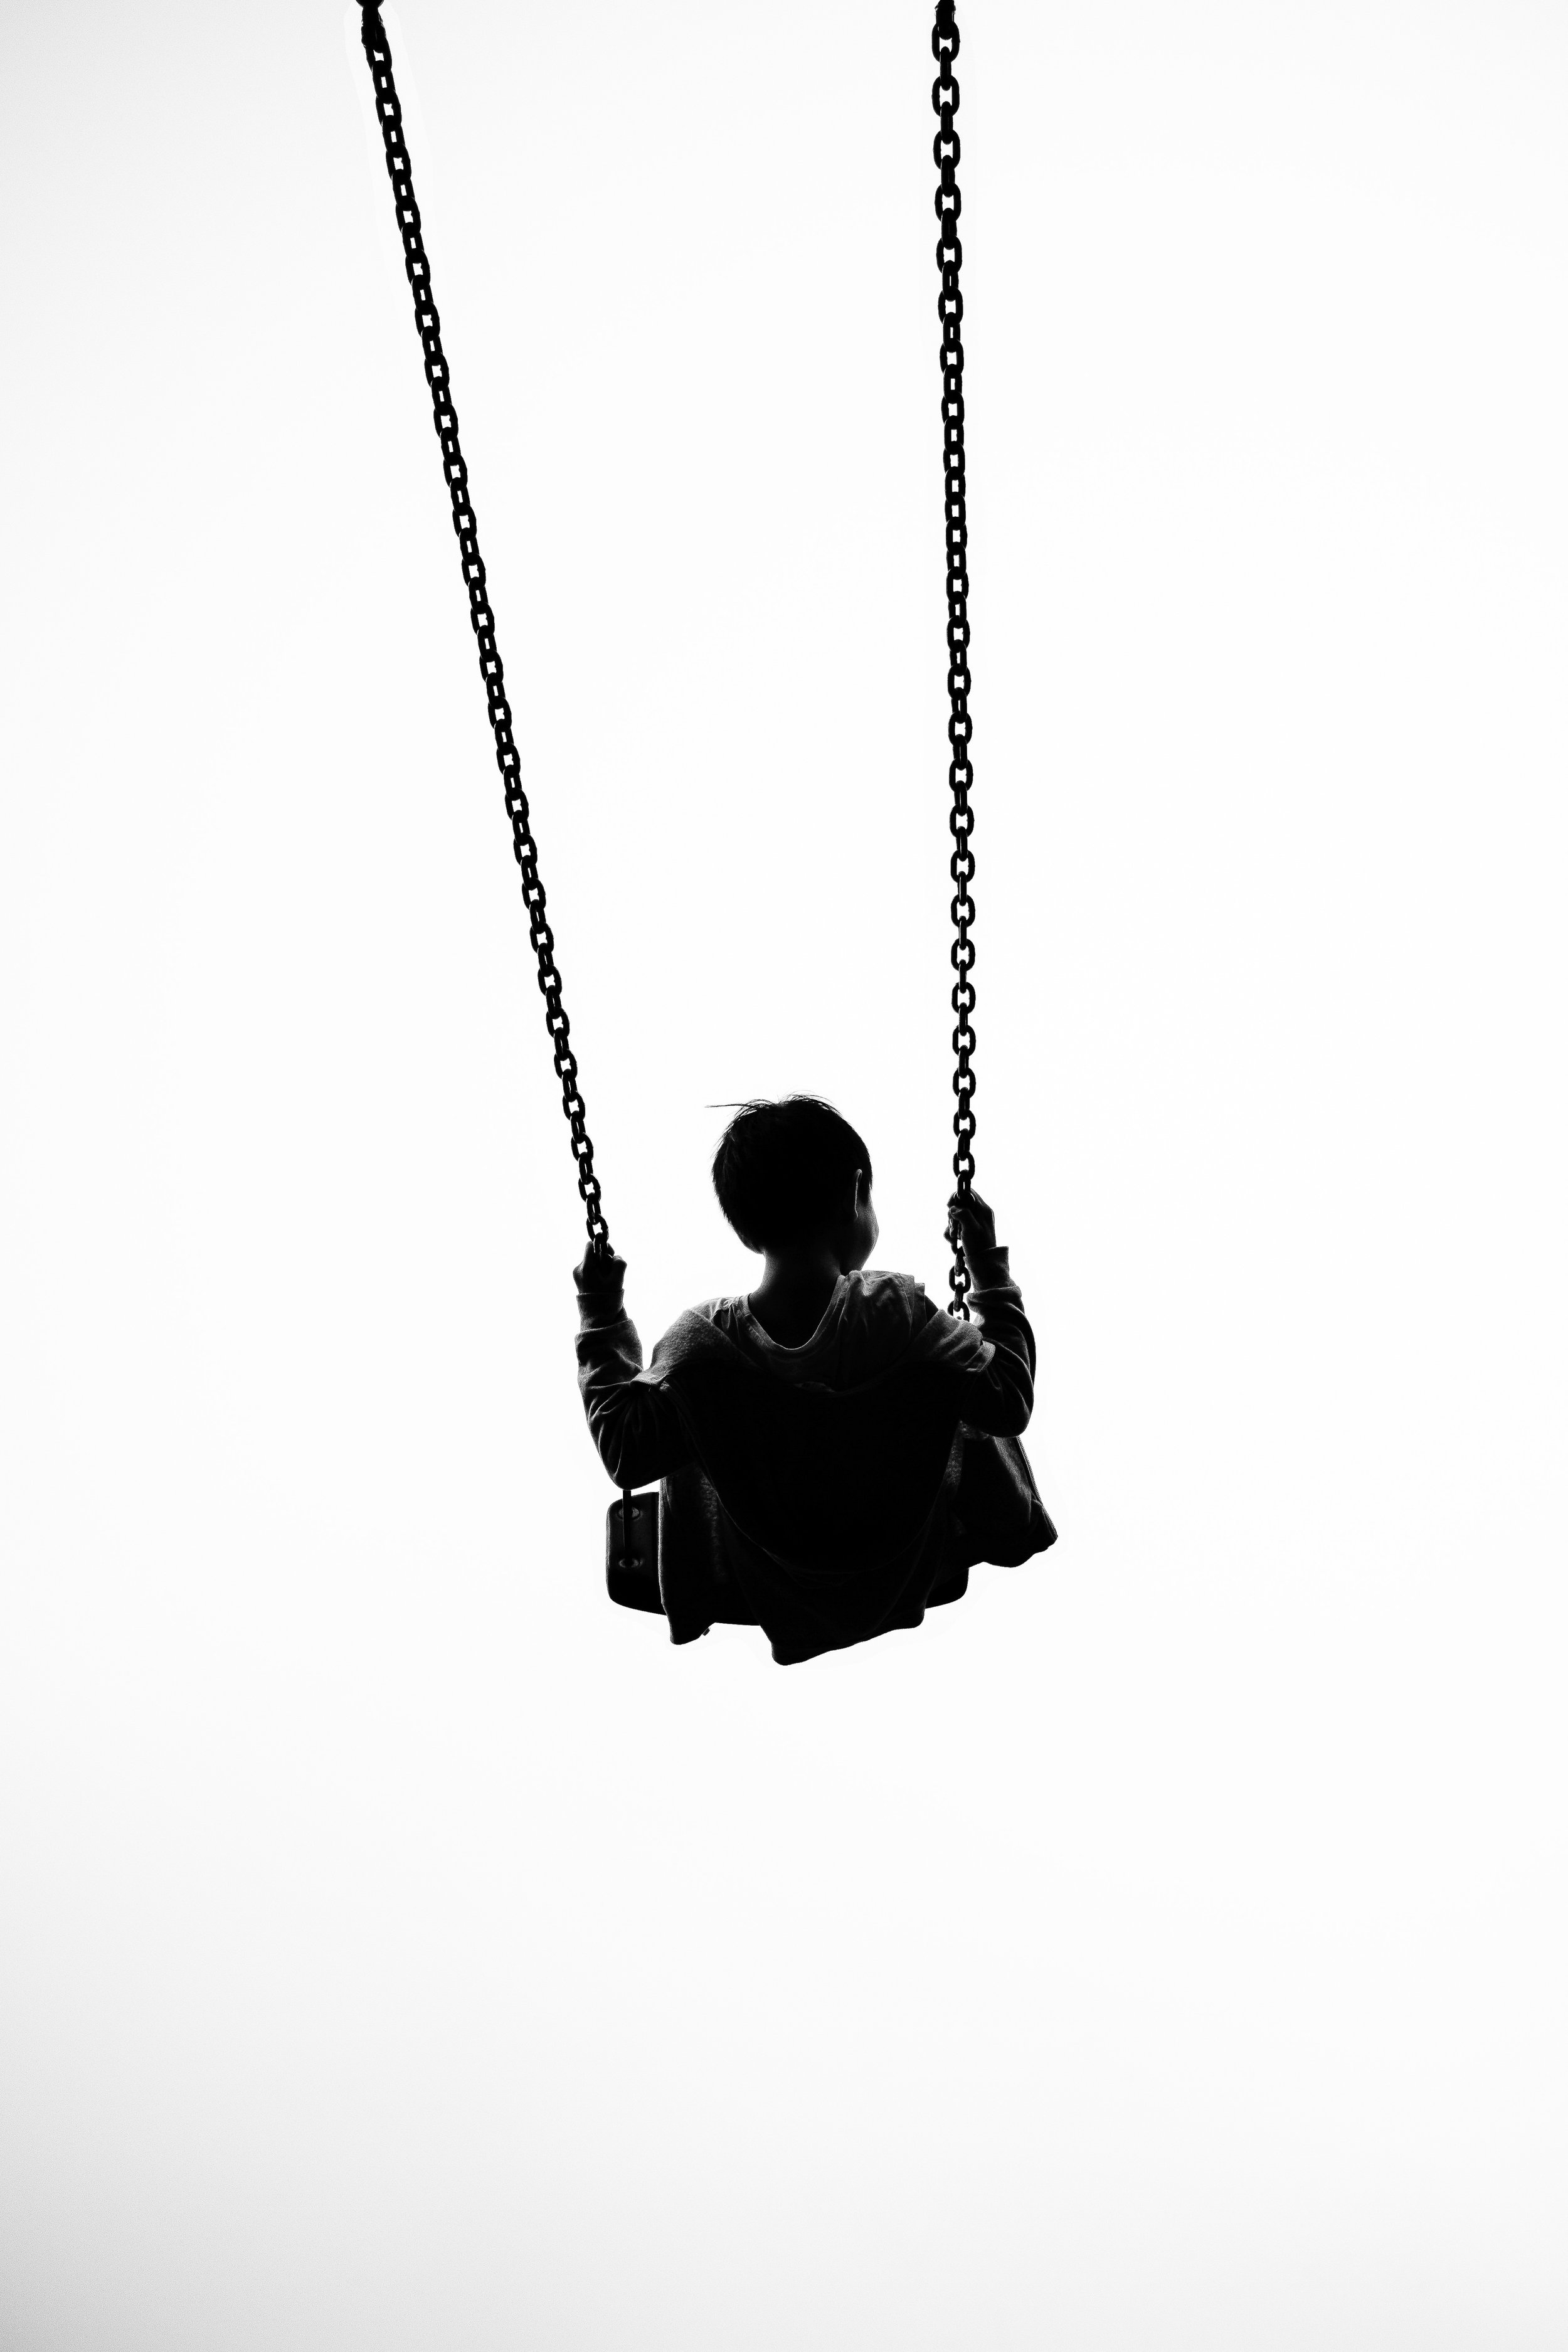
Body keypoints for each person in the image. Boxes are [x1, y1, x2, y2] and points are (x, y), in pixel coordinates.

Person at [574, 1096, 1054, 1665]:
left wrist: (601, 1312)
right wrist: (987, 1269)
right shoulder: (899, 1317)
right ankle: (998, 1520)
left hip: (776, 1580)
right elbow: (1009, 1398)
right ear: (857, 1195)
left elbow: (625, 1453)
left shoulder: (701, 1347)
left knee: (689, 1399)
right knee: (962, 1368)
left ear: (746, 1228)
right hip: (901, 1559)